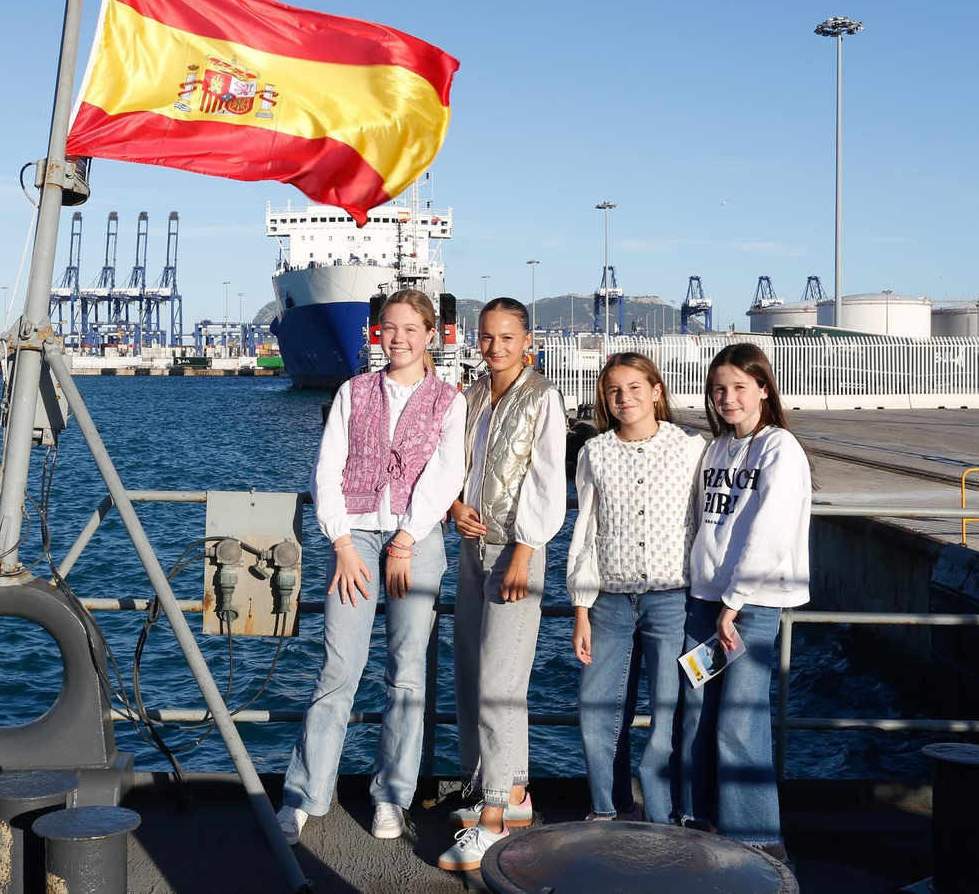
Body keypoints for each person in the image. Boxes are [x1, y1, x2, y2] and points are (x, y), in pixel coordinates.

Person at [278, 289, 467, 845]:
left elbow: (447, 473)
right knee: (339, 668)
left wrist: (407, 537)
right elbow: (327, 468)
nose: (398, 338)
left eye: (410, 329)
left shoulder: (448, 401)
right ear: (377, 333)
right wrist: (340, 542)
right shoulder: (353, 392)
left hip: (417, 539)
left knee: (407, 673)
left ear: (429, 334)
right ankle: (304, 796)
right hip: (355, 536)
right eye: (389, 328)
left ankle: (391, 795)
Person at [439, 297, 568, 871]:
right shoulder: (470, 397)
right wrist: (454, 505)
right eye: (487, 337)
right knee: (472, 673)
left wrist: (524, 548)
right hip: (471, 547)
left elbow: (546, 480)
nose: (494, 347)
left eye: (507, 337)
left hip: (514, 550)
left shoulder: (543, 397)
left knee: (500, 681)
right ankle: (508, 791)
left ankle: (493, 818)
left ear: (527, 340)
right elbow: (454, 467)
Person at [681, 342, 812, 861]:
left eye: (739, 387)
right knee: (698, 709)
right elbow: (705, 521)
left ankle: (758, 840)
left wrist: (733, 602)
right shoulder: (717, 448)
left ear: (763, 388)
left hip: (751, 605)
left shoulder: (780, 447)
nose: (728, 398)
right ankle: (702, 818)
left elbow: (771, 530)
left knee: (740, 717)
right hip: (706, 599)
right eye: (719, 389)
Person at [567, 352, 704, 825]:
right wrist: (581, 609)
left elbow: (704, 522)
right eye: (614, 391)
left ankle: (668, 818)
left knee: (669, 712)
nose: (624, 398)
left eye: (634, 387)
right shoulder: (594, 452)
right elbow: (586, 532)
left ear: (656, 391)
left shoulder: (690, 448)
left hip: (673, 600)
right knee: (598, 708)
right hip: (608, 602)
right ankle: (611, 808)